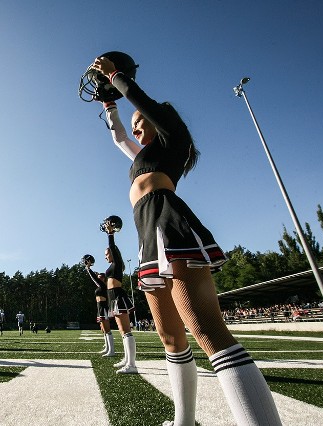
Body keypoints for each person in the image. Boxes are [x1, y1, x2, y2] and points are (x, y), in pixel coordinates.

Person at [89, 52, 282, 425]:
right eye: (134, 122)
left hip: (167, 219)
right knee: (171, 339)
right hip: (147, 230)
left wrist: (117, 77)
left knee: (208, 332)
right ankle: (185, 422)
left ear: (157, 116)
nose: (137, 126)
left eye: (140, 119)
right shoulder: (143, 157)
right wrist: (109, 103)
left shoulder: (172, 138)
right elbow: (118, 138)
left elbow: (145, 102)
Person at [99, 217, 138, 374]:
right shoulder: (112, 266)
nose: (106, 256)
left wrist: (110, 234)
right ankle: (127, 359)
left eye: (107, 253)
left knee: (126, 330)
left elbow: (112, 247)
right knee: (122, 331)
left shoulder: (116, 263)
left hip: (118, 296)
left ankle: (132, 365)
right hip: (112, 297)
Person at [82, 254, 115, 357]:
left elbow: (94, 279)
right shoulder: (100, 285)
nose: (99, 278)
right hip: (99, 307)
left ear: (104, 279)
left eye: (100, 277)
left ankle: (111, 350)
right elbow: (95, 279)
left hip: (104, 306)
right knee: (103, 329)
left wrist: (88, 268)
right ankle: (107, 347)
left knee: (107, 329)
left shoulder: (103, 285)